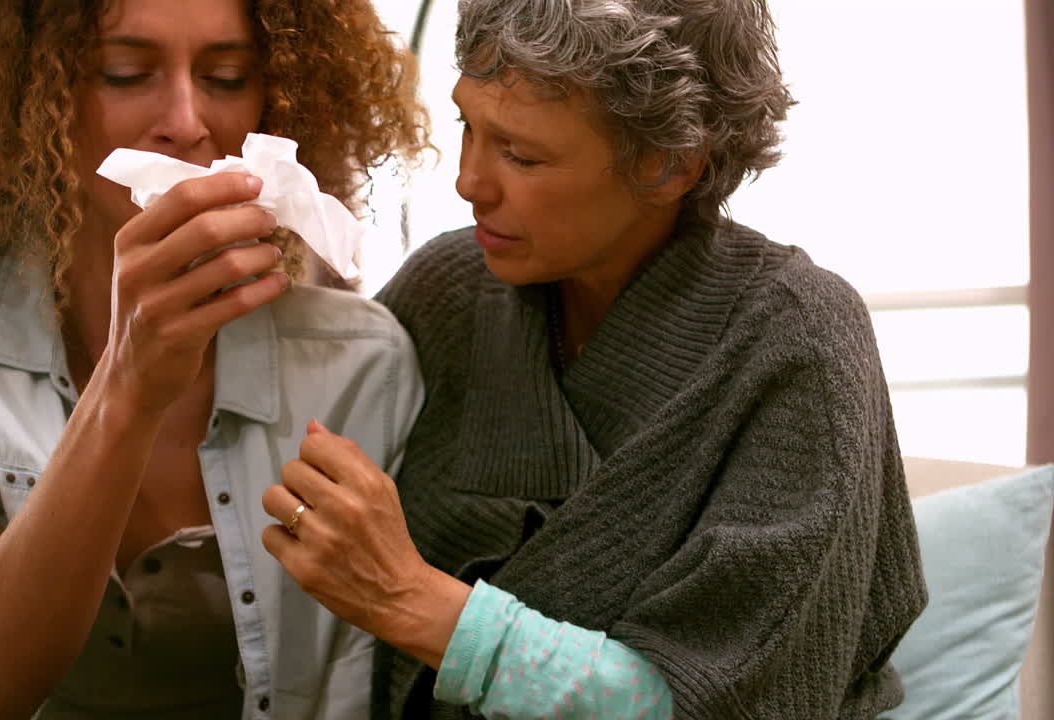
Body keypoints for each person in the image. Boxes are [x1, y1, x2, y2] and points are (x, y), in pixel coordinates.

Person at [260, 0, 929, 718]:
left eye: (520, 154)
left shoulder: (797, 342)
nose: (470, 182)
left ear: (669, 164)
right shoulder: (449, 292)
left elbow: (724, 701)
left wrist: (412, 601)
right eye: (468, 127)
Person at [0, 0, 427, 718]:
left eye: (227, 77)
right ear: (25, 93)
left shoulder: (359, 365)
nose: (187, 122)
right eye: (124, 73)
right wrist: (129, 388)